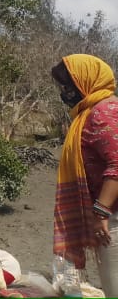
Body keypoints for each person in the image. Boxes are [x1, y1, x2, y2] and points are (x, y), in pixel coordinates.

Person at [51, 54, 118, 297]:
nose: (66, 92)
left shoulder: (103, 112)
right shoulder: (93, 111)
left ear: (86, 80)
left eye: (69, 85)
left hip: (113, 217)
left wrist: (101, 212)